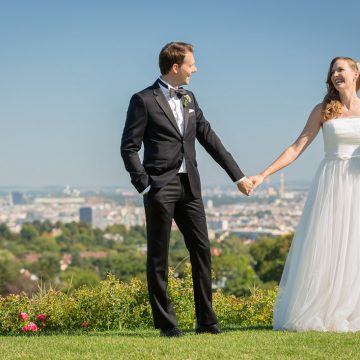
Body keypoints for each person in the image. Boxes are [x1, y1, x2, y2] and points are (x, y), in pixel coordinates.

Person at [121, 42, 253, 337]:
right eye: (191, 64)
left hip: (190, 186)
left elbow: (210, 138)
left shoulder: (189, 98)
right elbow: (129, 147)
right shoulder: (143, 100)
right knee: (159, 256)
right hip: (159, 187)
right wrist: (144, 186)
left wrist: (238, 176)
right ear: (176, 67)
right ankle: (167, 324)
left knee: (202, 250)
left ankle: (206, 321)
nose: (196, 69)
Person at [250, 56, 360, 332]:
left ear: (356, 73)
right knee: (329, 244)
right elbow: (296, 147)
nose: (335, 74)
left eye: (341, 69)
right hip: (332, 182)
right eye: (332, 71)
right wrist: (263, 175)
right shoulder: (323, 110)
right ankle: (326, 309)